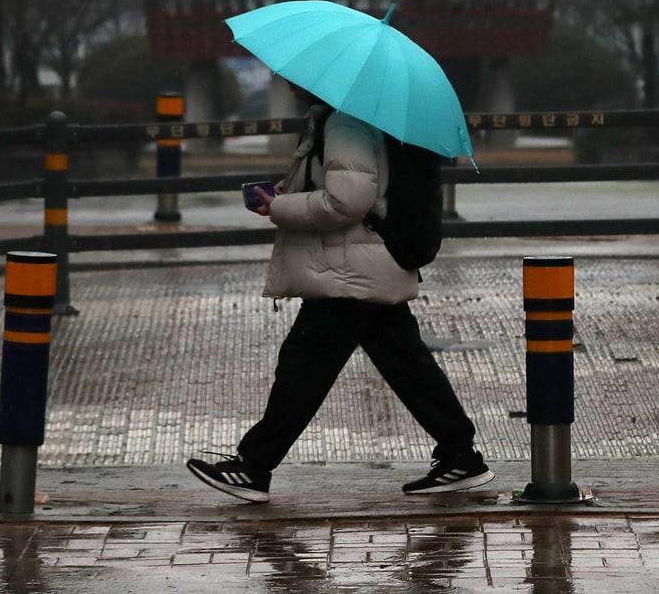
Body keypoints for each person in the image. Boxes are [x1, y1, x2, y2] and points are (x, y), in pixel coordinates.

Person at [186, 80, 492, 503]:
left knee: (303, 367)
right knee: (405, 364)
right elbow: (348, 185)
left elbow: (346, 202)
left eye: (291, 78)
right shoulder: (342, 119)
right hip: (365, 264)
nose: (285, 83)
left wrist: (278, 208)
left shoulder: (345, 123)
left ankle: (254, 467)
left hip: (351, 270)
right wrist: (285, 192)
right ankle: (461, 455)